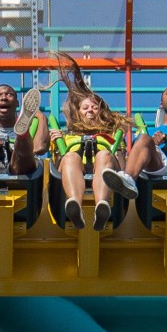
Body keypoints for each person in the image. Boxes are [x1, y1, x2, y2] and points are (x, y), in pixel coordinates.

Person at [47, 53, 131, 231]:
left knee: (104, 154)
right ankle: (74, 205)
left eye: (94, 107)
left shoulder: (112, 135)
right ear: (78, 112)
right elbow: (56, 167)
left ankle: (102, 205)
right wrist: (55, 144)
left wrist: (118, 148)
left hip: (104, 167)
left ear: (101, 111)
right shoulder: (66, 136)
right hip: (73, 169)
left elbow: (122, 167)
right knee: (70, 157)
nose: (90, 110)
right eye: (85, 107)